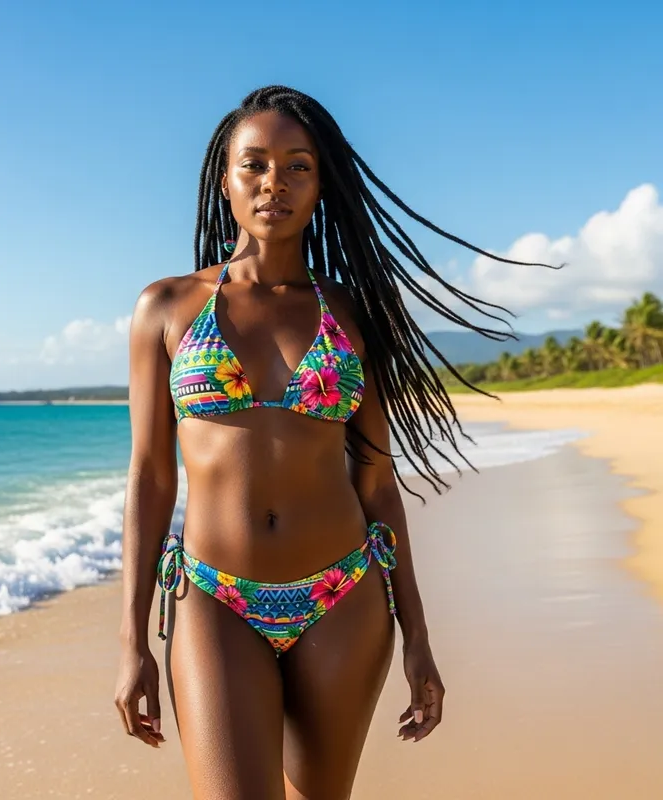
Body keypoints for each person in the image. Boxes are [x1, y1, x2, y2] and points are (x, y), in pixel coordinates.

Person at [115, 85, 551, 799]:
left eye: (298, 166)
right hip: (213, 596)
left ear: (321, 185)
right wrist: (132, 641)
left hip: (342, 594)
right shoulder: (166, 307)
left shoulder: (351, 311)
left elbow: (376, 481)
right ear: (224, 180)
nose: (274, 183)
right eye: (255, 164)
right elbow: (150, 478)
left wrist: (419, 637)